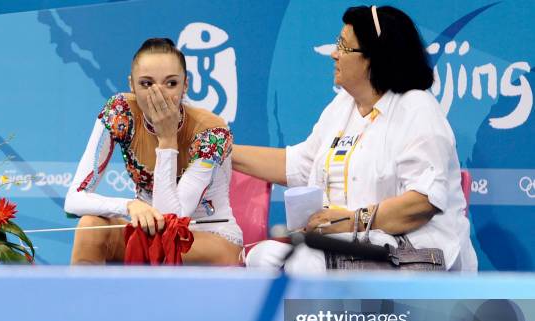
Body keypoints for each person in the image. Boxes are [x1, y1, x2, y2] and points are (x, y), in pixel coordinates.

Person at [232, 5, 477, 272]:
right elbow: (300, 164)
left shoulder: (417, 109)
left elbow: (420, 204)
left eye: (345, 47)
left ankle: (324, 314)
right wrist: (224, 151)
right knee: (265, 256)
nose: (334, 54)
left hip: (412, 253)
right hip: (352, 245)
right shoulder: (343, 105)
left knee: (302, 265)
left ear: (374, 57)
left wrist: (351, 220)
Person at [65, 38, 242, 265]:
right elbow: (74, 199)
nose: (158, 95)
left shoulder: (212, 131)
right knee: (90, 226)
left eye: (171, 84)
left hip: (206, 237)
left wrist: (167, 139)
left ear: (185, 85)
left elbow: (171, 220)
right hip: (147, 231)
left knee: (163, 244)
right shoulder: (120, 111)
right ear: (132, 84)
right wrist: (129, 205)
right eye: (146, 84)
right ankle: (83, 300)